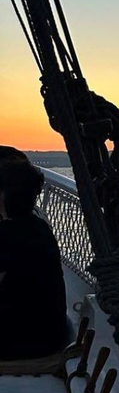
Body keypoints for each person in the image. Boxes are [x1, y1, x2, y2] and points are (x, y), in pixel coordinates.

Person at [0, 154, 68, 360]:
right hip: (49, 337)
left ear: (3, 195)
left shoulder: (7, 235)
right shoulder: (38, 227)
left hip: (23, 343)